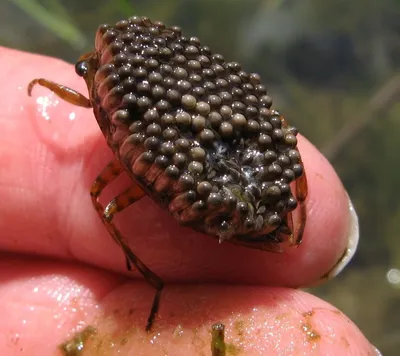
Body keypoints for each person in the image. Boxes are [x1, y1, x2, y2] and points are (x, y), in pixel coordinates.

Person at [0, 46, 378, 355]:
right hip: (212, 189)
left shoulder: (135, 109)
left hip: (213, 188)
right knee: (105, 201)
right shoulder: (144, 108)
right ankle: (159, 280)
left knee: (104, 201)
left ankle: (158, 281)